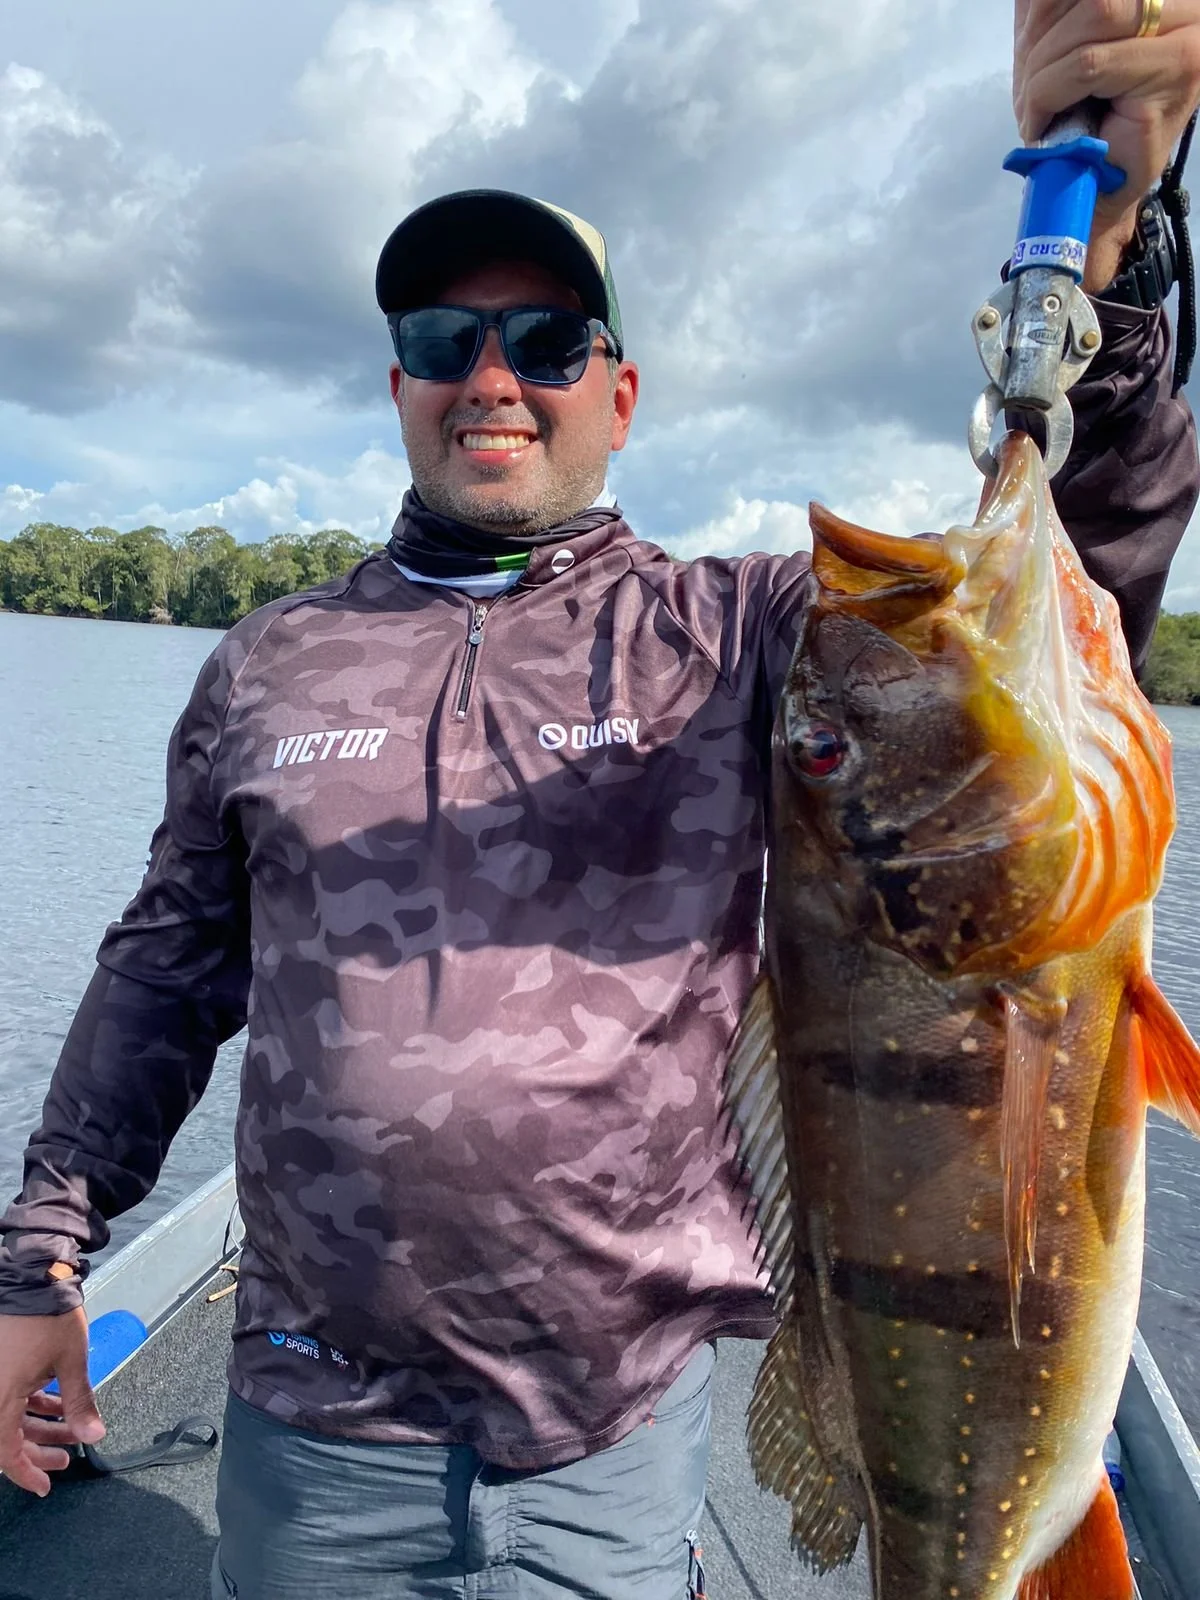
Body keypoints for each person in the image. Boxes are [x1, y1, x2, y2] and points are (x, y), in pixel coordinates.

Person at [2, 3, 1199, 1596]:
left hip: (611, 1449)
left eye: (548, 342)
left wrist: (1107, 241)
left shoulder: (734, 636)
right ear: (399, 384)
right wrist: (39, 1257)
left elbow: (1054, 613)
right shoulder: (269, 662)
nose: (492, 376)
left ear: (618, 395)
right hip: (312, 1431)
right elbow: (162, 969)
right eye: (444, 339)